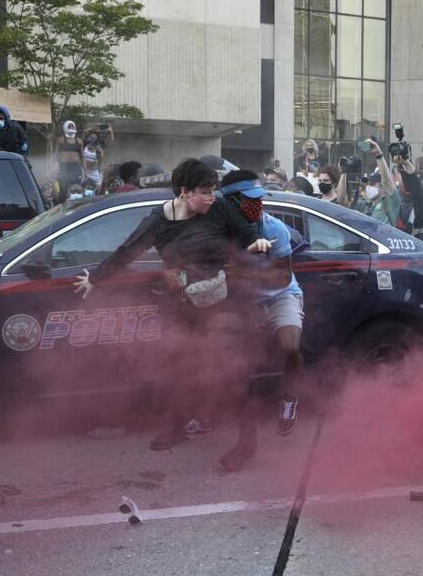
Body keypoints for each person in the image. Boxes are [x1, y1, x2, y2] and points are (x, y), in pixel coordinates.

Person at [73, 158, 272, 467]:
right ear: (185, 192)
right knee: (180, 367)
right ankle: (178, 427)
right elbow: (128, 251)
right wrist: (95, 279)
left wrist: (256, 243)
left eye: (213, 190)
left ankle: (248, 441)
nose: (211, 197)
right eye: (205, 191)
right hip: (182, 304)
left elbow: (246, 234)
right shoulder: (157, 221)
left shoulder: (219, 209)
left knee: (227, 369)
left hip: (223, 301)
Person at [219, 170, 305, 440]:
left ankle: (289, 398)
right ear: (231, 203)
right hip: (244, 301)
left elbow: (282, 276)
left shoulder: (274, 227)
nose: (258, 205)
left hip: (281, 294)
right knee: (232, 359)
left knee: (290, 346)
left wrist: (242, 271)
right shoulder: (220, 232)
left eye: (260, 199)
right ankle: (217, 414)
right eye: (249, 200)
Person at [350, 143, 400, 226]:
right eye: (369, 183)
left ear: (382, 186)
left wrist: (378, 154)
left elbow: (386, 180)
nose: (369, 186)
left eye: (373, 184)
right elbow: (344, 203)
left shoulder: (391, 202)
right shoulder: (365, 204)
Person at [55, 120, 83, 199]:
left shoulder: (79, 141)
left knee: (76, 189)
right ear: (65, 127)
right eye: (69, 126)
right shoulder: (60, 140)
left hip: (76, 168)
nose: (71, 128)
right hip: (64, 167)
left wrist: (85, 170)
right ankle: (61, 205)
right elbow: (55, 154)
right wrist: (54, 166)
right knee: (63, 189)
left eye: (72, 126)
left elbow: (82, 156)